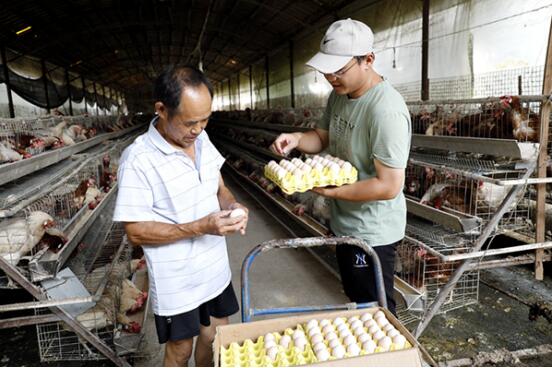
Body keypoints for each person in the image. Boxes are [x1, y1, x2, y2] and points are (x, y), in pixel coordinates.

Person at [270, 19, 411, 315]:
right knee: (357, 298)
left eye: (339, 70)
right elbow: (321, 138)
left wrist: (333, 193)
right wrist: (296, 138)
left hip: (373, 231)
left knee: (377, 309)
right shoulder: (339, 95)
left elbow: (388, 186)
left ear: (368, 60)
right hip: (345, 223)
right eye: (327, 71)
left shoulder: (386, 110)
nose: (331, 78)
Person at [113, 66, 248, 366]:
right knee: (180, 349)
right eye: (190, 122)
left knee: (214, 337)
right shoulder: (138, 159)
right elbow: (135, 231)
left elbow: (219, 187)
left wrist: (233, 205)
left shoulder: (200, 139)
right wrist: (201, 226)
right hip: (177, 279)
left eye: (205, 119)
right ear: (161, 109)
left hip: (214, 268)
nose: (198, 129)